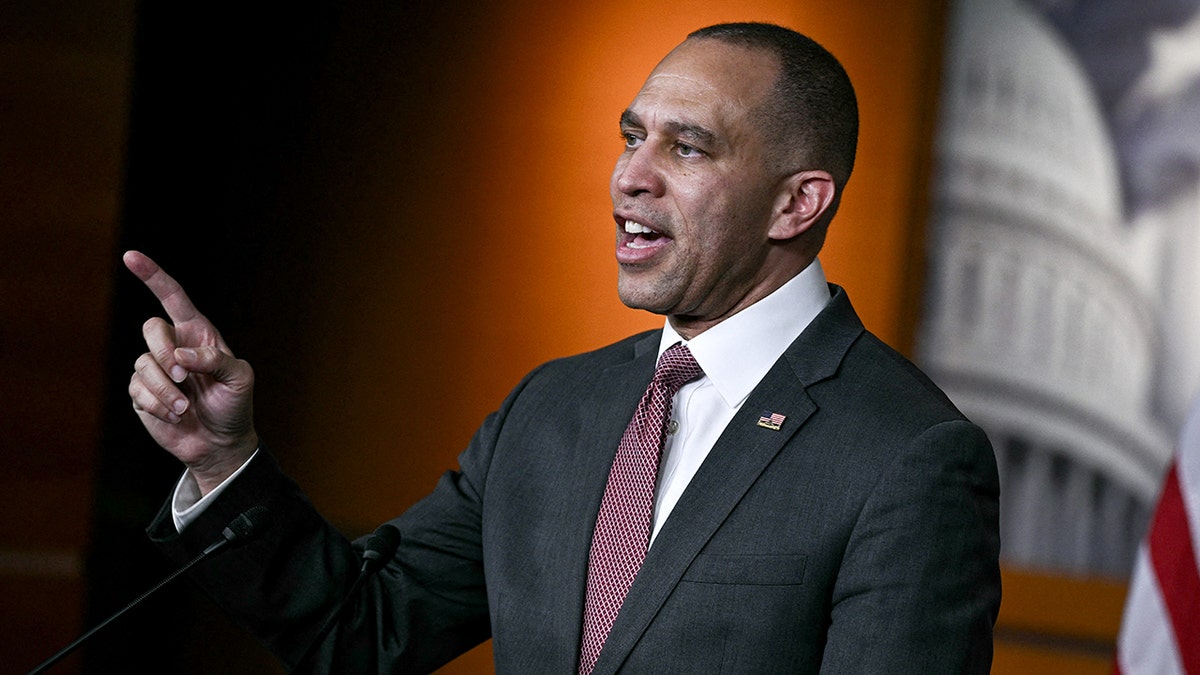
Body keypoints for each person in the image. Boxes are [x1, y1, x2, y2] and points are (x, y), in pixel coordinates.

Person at [126, 22, 1001, 674]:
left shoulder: (909, 455)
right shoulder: (551, 408)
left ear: (796, 204)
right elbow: (364, 630)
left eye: (688, 147)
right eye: (633, 136)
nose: (630, 176)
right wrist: (222, 459)